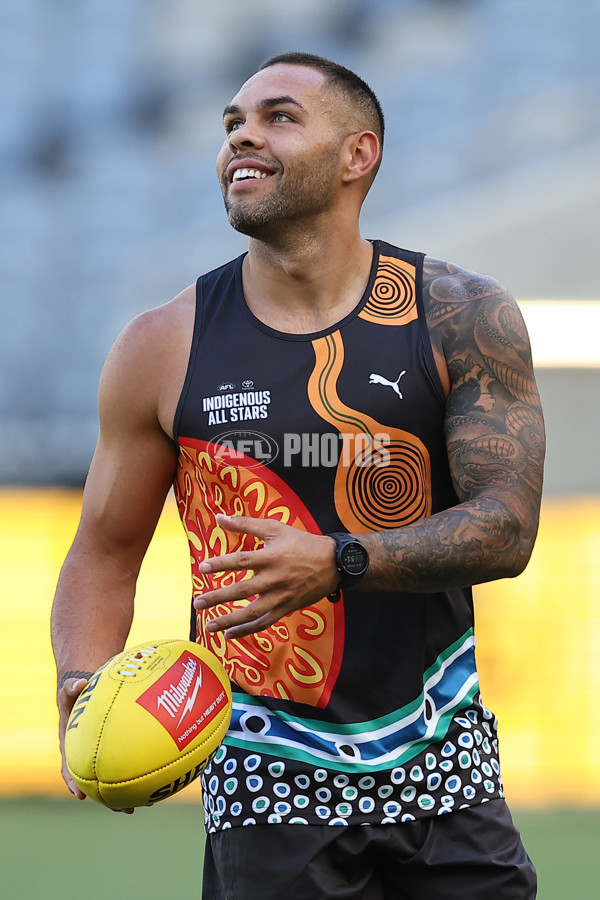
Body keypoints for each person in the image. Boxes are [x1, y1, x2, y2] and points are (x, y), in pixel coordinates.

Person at [52, 52, 544, 899]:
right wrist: (79, 680)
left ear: (359, 154)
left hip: (443, 764)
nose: (242, 135)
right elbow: (104, 548)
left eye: (279, 116)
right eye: (233, 123)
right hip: (263, 780)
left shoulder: (458, 313)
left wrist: (335, 560)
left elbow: (507, 526)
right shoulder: (163, 345)